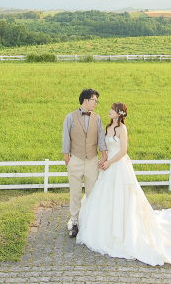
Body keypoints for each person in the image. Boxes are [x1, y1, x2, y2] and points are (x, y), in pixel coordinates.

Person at [76, 102, 171, 267]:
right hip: (108, 167)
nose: (109, 111)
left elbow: (123, 150)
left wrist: (110, 162)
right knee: (103, 197)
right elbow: (105, 147)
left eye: (112, 109)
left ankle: (123, 233)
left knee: (122, 197)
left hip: (118, 165)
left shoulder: (122, 130)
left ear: (119, 114)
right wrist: (103, 160)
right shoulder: (109, 127)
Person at [62, 88, 108, 238]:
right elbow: (65, 139)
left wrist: (103, 154)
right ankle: (74, 222)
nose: (96, 103)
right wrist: (67, 160)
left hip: (92, 161)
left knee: (91, 193)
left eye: (96, 100)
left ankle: (90, 221)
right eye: (94, 100)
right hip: (75, 160)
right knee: (75, 193)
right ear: (85, 100)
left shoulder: (98, 118)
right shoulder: (70, 117)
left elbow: (101, 138)